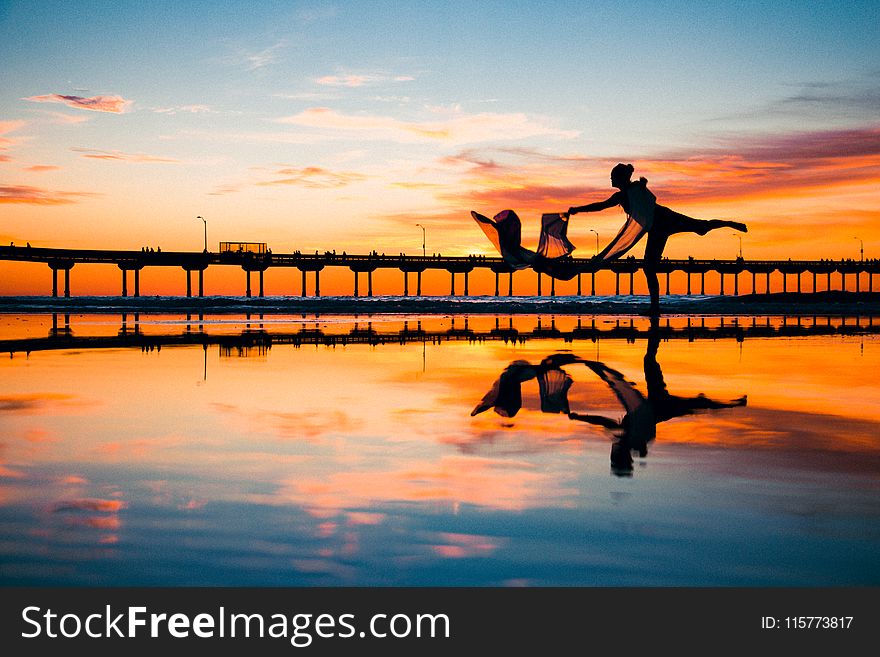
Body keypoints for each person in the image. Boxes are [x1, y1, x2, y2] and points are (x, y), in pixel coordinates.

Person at [569, 163, 747, 314]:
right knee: (649, 267)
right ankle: (655, 307)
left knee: (702, 226)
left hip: (665, 219)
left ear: (621, 178)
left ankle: (730, 223)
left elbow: (641, 196)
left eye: (613, 176)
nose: (610, 179)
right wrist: (578, 209)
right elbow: (601, 206)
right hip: (656, 229)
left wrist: (643, 185)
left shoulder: (632, 189)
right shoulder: (622, 195)